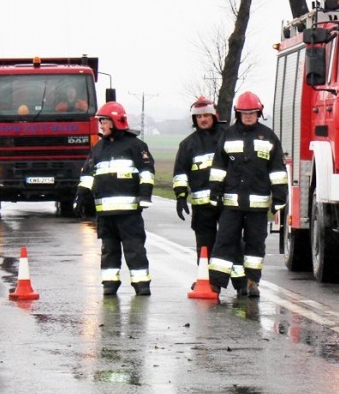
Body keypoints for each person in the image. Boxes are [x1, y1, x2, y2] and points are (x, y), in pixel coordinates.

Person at [208, 91, 288, 299]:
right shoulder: (228, 135)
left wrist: (279, 199)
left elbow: (277, 171)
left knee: (255, 244)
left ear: (259, 113)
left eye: (252, 113)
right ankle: (216, 284)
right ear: (238, 113)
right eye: (245, 113)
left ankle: (252, 282)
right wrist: (215, 193)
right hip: (231, 204)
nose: (249, 116)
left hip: (257, 206)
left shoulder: (269, 137)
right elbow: (218, 168)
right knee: (224, 242)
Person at [78, 101, 155, 296]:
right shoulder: (99, 148)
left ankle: (141, 285)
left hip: (129, 213)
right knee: (108, 251)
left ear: (114, 121)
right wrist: (81, 196)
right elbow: (88, 174)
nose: (101, 125)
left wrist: (145, 196)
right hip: (105, 214)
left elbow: (146, 171)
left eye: (103, 121)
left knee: (134, 249)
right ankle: (109, 285)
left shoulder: (136, 146)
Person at [172, 97, 247, 295]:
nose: (203, 120)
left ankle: (242, 284)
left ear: (214, 116)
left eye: (206, 115)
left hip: (227, 202)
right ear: (194, 120)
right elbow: (180, 173)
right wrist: (180, 196)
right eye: (199, 117)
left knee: (231, 241)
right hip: (202, 206)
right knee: (204, 245)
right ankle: (207, 280)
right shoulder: (187, 145)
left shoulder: (228, 137)